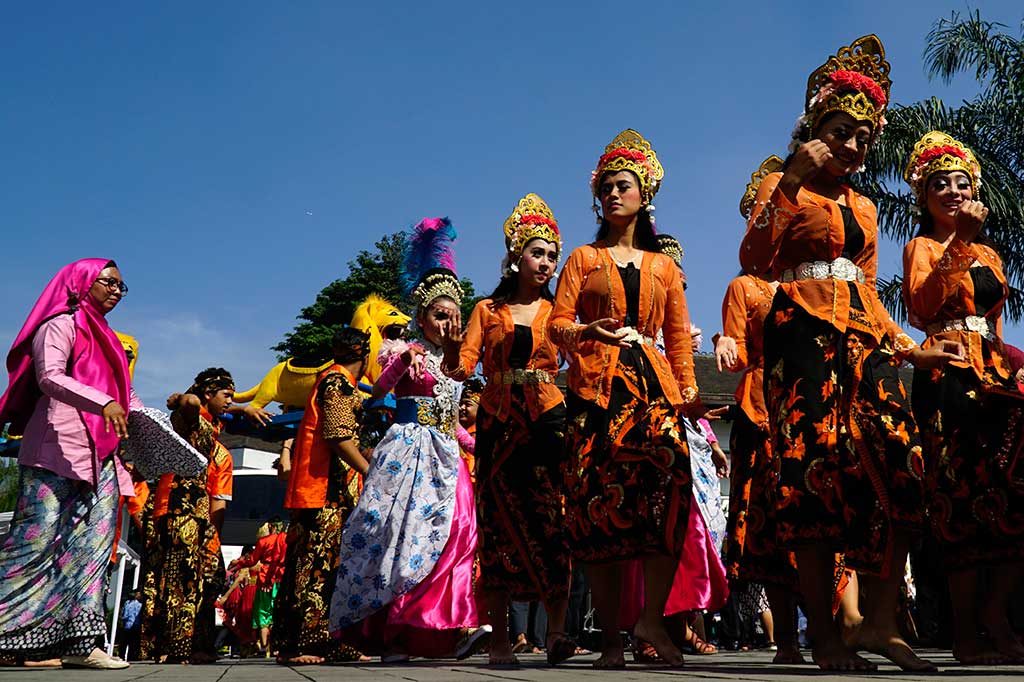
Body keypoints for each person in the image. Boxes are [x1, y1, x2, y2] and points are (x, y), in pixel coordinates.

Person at [738, 35, 962, 672]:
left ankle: (881, 623)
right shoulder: (787, 187)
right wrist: (792, 180)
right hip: (800, 344)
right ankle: (827, 634)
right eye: (841, 132)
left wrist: (906, 349)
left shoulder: (863, 206)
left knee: (903, 464)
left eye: (863, 137)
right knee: (811, 479)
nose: (854, 146)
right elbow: (754, 259)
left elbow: (867, 291)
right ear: (814, 129)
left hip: (863, 350)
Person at [548, 129, 723, 669]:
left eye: (621, 186)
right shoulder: (580, 258)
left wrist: (688, 396)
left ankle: (650, 618)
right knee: (599, 508)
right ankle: (609, 640)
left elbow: (677, 341)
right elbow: (557, 326)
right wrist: (587, 334)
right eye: (604, 189)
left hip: (651, 389)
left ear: (644, 195)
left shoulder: (665, 268)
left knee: (668, 488)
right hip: (596, 394)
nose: (612, 195)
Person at [330, 218, 490, 660]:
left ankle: (448, 625)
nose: (448, 323)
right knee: (402, 536)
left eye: (455, 316)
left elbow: (451, 419)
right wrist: (406, 361)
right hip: (407, 455)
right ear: (421, 317)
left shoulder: (459, 362)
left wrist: (480, 445)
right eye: (440, 315)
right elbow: (379, 391)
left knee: (460, 529)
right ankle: (398, 630)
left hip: (446, 455)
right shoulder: (399, 351)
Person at [901, 131, 1024, 664]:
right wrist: (958, 247)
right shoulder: (922, 247)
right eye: (939, 185)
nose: (952, 191)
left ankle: (996, 611)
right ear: (924, 199)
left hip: (995, 374)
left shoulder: (993, 255)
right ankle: (965, 630)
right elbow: (922, 308)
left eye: (961, 183)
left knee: (1012, 495)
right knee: (958, 498)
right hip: (947, 374)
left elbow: (993, 320)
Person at [442, 192, 574, 667]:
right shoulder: (485, 310)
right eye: (538, 253)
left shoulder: (560, 313)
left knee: (552, 521)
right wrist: (452, 351)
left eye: (553, 255)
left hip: (548, 421)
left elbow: (580, 362)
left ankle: (557, 632)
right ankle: (499, 638)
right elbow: (462, 370)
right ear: (515, 257)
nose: (546, 263)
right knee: (497, 528)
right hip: (498, 422)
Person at [0, 259, 136, 670]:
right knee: (35, 543)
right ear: (81, 283)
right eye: (108, 282)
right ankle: (9, 633)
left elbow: (126, 396)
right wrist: (104, 403)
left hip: (102, 455)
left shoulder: (109, 337)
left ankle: (80, 643)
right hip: (54, 450)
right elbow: (50, 378)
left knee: (93, 547)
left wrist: (152, 428)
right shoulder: (60, 325)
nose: (116, 290)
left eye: (121, 285)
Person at [141, 368, 267, 663]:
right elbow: (189, 404)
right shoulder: (189, 420)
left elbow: (218, 503)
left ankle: (199, 646)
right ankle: (173, 648)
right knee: (179, 580)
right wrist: (182, 398)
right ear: (208, 393)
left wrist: (240, 407)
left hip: (200, 517)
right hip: (177, 509)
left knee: (207, 581)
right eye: (226, 396)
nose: (229, 402)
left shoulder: (216, 431)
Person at [273, 327, 373, 665]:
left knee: (303, 564)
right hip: (325, 489)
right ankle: (310, 642)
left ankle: (292, 643)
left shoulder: (330, 378)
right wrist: (368, 470)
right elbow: (337, 436)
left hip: (313, 486)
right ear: (366, 353)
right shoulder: (339, 382)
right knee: (319, 564)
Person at [120, 592, 143, 661]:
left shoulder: (130, 604)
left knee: (128, 642)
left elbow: (124, 614)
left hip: (131, 625)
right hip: (132, 625)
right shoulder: (134, 604)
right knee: (128, 642)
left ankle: (126, 656)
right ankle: (127, 656)